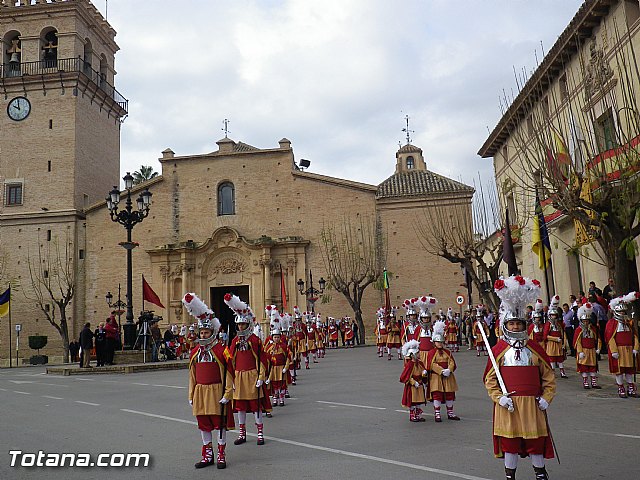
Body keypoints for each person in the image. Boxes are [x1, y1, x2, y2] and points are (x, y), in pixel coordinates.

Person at [485, 275, 556, 480]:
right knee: (511, 443)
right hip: (508, 405)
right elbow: (490, 380)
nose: (516, 327)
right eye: (512, 323)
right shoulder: (499, 350)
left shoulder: (535, 349)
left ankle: (540, 474)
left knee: (535, 442)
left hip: (533, 405)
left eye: (519, 323)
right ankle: (510, 476)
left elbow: (548, 377)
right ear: (506, 325)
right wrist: (499, 398)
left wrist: (546, 398)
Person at [183, 293, 234, 469]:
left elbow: (229, 372)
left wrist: (228, 393)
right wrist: (191, 394)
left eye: (206, 332)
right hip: (200, 392)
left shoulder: (222, 350)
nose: (203, 335)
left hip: (217, 391)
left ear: (212, 332)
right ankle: (207, 455)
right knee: (203, 424)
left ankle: (221, 453)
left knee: (219, 424)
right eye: (202, 332)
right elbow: (192, 375)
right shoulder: (195, 351)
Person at [224, 293, 271, 446]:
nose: (240, 327)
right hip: (239, 377)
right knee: (241, 407)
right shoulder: (235, 341)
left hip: (252, 377)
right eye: (239, 325)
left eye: (243, 325)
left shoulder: (255, 340)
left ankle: (260, 433)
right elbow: (231, 360)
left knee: (255, 407)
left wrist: (260, 377)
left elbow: (262, 359)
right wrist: (231, 380)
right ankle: (242, 433)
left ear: (248, 324)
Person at [606, 292, 640, 398]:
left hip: (629, 349)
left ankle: (631, 387)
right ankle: (620, 386)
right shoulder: (612, 323)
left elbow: (634, 336)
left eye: (623, 311)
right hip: (619, 350)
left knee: (629, 369)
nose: (622, 313)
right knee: (619, 370)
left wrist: (635, 348)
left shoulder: (628, 323)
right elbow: (610, 338)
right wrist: (614, 351)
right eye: (620, 311)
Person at [427, 320, 460, 422]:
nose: (440, 344)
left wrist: (449, 370)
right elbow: (431, 364)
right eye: (438, 342)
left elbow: (452, 362)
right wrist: (441, 371)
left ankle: (450, 413)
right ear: (434, 342)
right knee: (437, 394)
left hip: (448, 376)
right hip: (437, 376)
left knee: (449, 393)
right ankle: (437, 414)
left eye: (441, 342)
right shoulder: (431, 352)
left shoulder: (447, 352)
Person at [573, 303, 602, 389]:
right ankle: (585, 381)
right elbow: (578, 341)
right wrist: (580, 351)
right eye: (584, 321)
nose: (586, 322)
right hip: (584, 350)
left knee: (592, 366)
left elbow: (598, 339)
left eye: (587, 321)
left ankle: (593, 382)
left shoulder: (593, 329)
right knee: (584, 367)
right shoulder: (579, 330)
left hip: (592, 350)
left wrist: (598, 349)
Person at [399, 339, 427, 422]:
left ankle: (417, 415)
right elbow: (406, 376)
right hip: (413, 386)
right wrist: (413, 382)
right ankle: (412, 415)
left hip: (420, 384)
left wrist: (424, 374)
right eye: (417, 353)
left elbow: (423, 371)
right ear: (413, 354)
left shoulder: (420, 363)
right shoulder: (410, 365)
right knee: (413, 401)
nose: (419, 354)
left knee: (419, 401)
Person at [543, 304, 569, 378]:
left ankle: (562, 372)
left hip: (559, 344)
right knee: (552, 359)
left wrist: (563, 343)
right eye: (552, 315)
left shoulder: (559, 324)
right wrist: (555, 339)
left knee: (560, 359)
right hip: (551, 344)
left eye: (555, 315)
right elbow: (546, 336)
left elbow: (562, 333)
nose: (554, 317)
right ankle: (552, 372)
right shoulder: (548, 324)